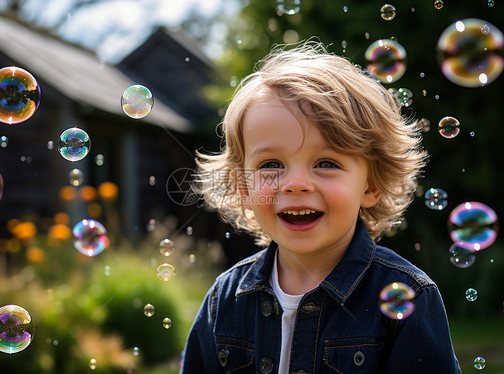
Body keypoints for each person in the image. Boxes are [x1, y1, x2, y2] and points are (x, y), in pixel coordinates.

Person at [181, 41, 461, 373]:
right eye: (271, 164)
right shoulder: (223, 300)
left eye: (326, 162)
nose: (295, 183)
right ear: (244, 187)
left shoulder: (410, 296)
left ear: (370, 185)